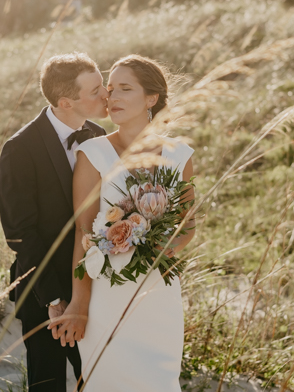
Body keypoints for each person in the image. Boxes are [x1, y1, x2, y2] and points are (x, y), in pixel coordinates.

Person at [52, 55, 196, 391]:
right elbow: (84, 233)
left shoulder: (179, 155)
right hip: (107, 295)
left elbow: (187, 226)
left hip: (159, 295)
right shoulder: (93, 154)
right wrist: (79, 303)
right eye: (111, 88)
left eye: (125, 89)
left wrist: (159, 248)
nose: (112, 96)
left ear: (151, 98)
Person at [0, 52, 109, 392]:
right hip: (44, 296)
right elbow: (20, 235)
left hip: (93, 289)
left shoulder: (99, 134)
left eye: (102, 84)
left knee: (97, 381)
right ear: (66, 102)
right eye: (95, 91)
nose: (106, 94)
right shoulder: (20, 149)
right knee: (47, 386)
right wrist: (53, 300)